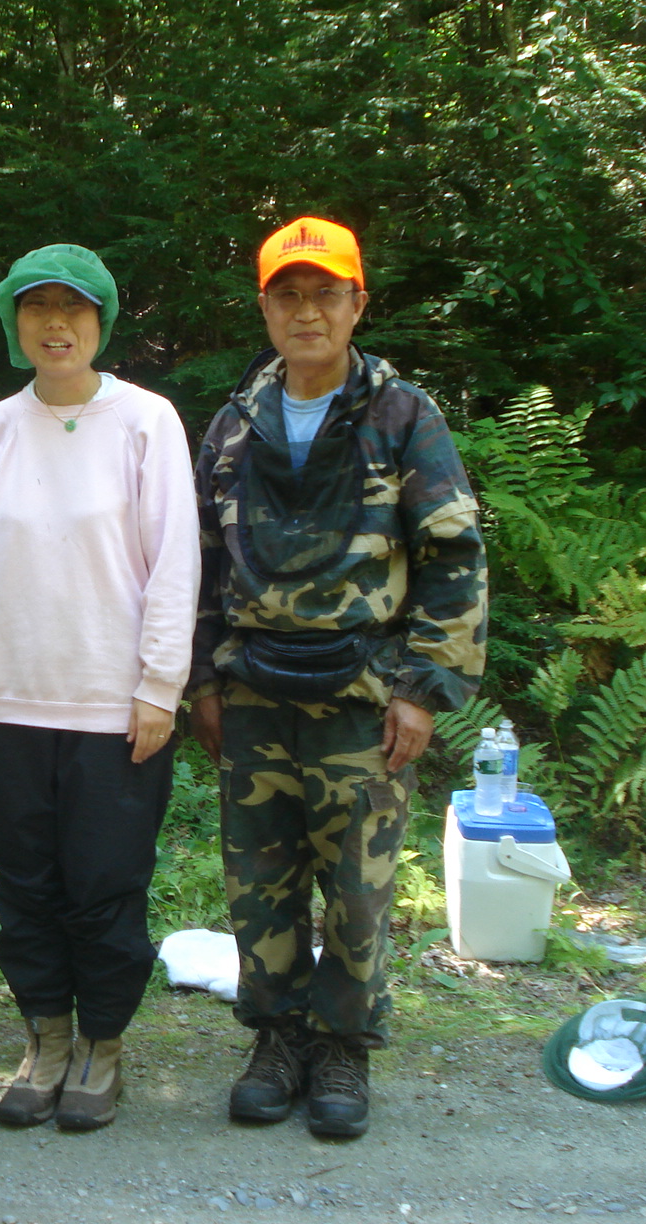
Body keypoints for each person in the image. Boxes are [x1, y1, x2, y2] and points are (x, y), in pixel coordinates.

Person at [190, 217, 486, 1138]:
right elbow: (200, 564)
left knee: (357, 890)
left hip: (363, 697)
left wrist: (423, 690)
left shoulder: (402, 417)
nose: (307, 312)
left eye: (326, 293)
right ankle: (278, 1041)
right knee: (259, 885)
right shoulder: (234, 426)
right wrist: (201, 682)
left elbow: (453, 555)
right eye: (289, 295)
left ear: (358, 303)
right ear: (265, 308)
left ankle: (343, 1049)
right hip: (254, 696)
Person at [0, 245, 199, 1131]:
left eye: (74, 308)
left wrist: (160, 686)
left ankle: (102, 1043)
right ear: (14, 321)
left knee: (105, 883)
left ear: (101, 320)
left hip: (116, 703)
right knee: (25, 883)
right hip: (13, 697)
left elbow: (174, 559)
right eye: (37, 308)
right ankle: (46, 1039)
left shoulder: (146, 421)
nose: (55, 324)